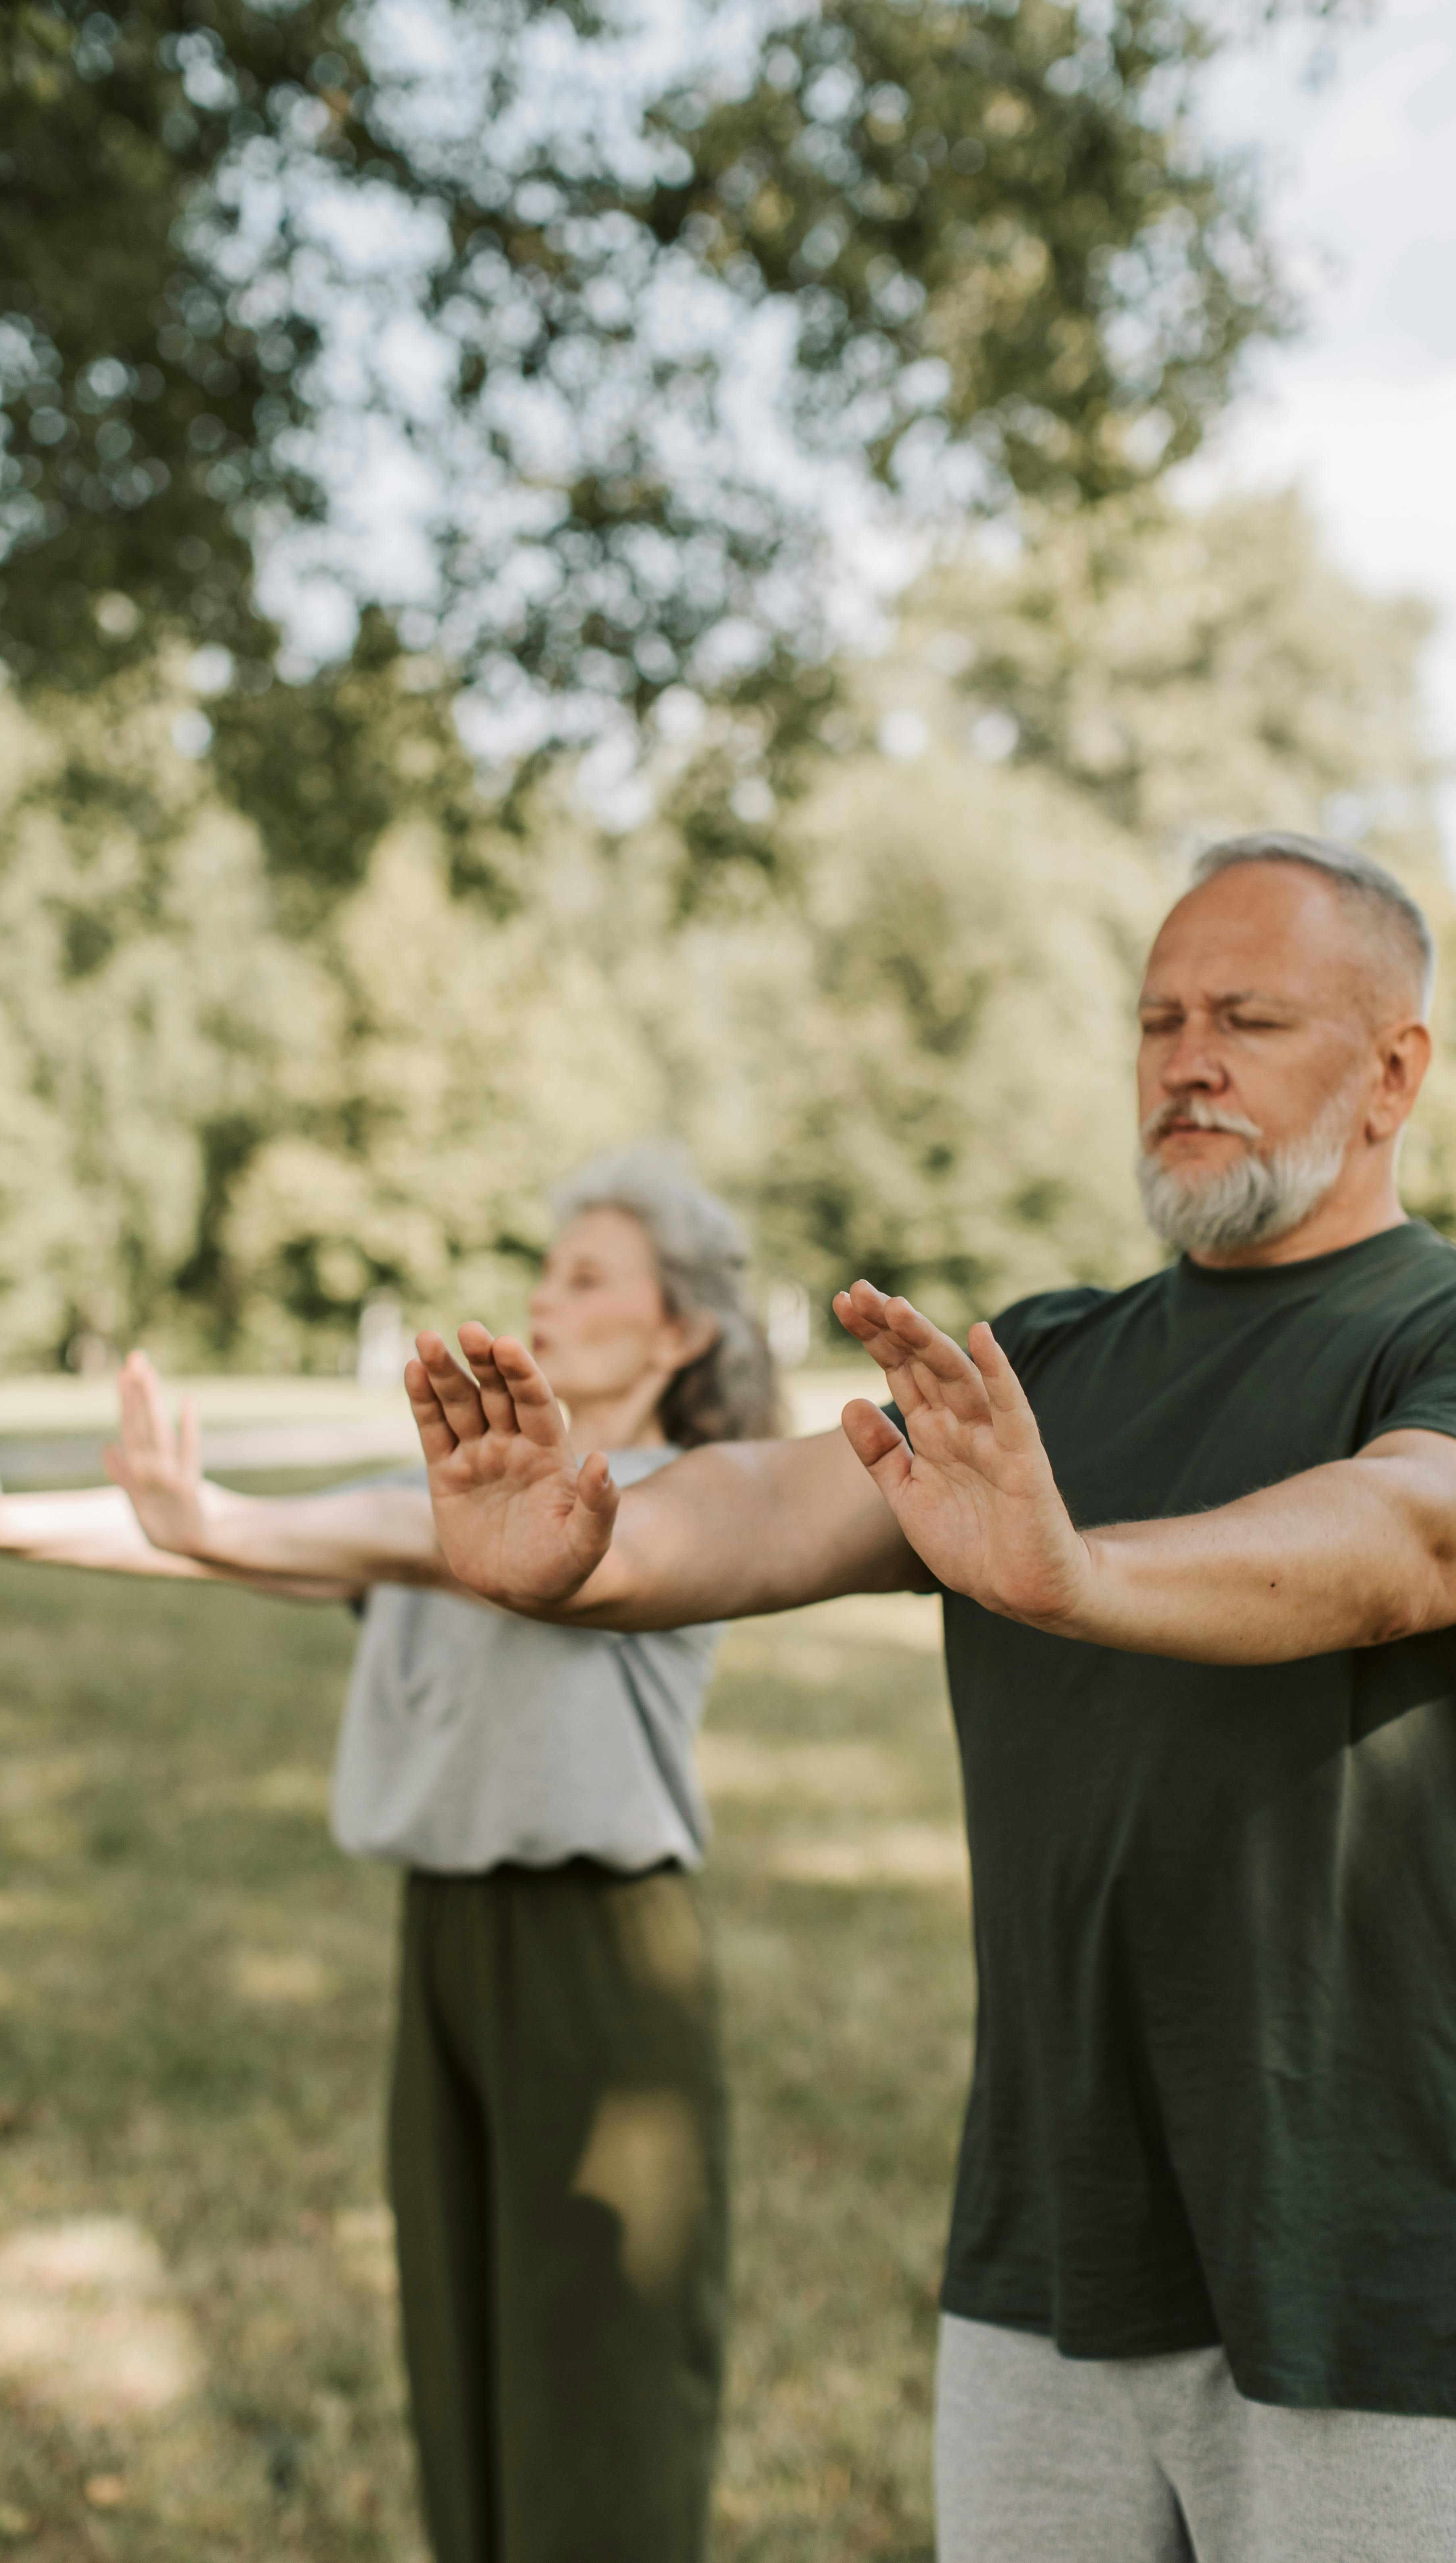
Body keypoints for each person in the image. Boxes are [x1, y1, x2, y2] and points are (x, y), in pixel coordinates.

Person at [407, 833, 1456, 2563]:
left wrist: (1083, 1578)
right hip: (1053, 2247)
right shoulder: (1038, 1361)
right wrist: (588, 1556)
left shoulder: (1426, 1329)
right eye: (1155, 1020)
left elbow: (1402, 1538)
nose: (1183, 1059)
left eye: (1246, 1019)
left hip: (1373, 2270)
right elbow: (780, 1497)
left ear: (1392, 1066)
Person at [0, 1151, 778, 2563]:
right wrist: (0, 1520)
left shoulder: (680, 1494)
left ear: (680, 1329)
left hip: (600, 1955)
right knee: (463, 2326)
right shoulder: (444, 1492)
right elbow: (286, 1541)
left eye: (589, 1276)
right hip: (442, 1939)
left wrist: (222, 1519)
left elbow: (382, 1535)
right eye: (545, 1269)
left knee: (605, 2364)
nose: (547, 1298)